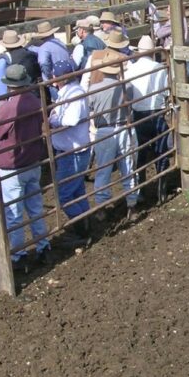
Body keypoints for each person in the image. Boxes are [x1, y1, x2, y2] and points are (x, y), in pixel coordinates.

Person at [0, 65, 51, 271]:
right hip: (33, 161)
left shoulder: (9, 108)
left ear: (9, 85)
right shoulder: (34, 101)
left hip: (12, 166)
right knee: (35, 207)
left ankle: (19, 256)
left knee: (14, 213)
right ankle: (44, 247)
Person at [86, 50, 138, 214]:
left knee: (103, 169)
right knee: (128, 166)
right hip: (124, 127)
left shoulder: (93, 88)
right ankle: (132, 202)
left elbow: (90, 108)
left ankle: (101, 205)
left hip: (104, 130)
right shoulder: (127, 86)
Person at [48, 60, 91, 240]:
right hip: (72, 149)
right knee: (77, 190)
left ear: (57, 78)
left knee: (64, 195)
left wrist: (52, 121)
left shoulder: (74, 94)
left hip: (72, 152)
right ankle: (86, 225)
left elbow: (70, 119)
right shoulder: (71, 92)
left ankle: (81, 230)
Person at [126, 36, 171, 185]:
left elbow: (127, 94)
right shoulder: (160, 68)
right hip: (157, 113)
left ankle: (140, 188)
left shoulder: (130, 70)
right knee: (161, 151)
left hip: (138, 115)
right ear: (153, 53)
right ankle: (162, 186)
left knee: (140, 153)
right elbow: (166, 92)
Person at [81, 29, 130, 93]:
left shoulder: (94, 55)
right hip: (115, 96)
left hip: (93, 93)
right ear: (121, 43)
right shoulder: (125, 59)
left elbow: (85, 81)